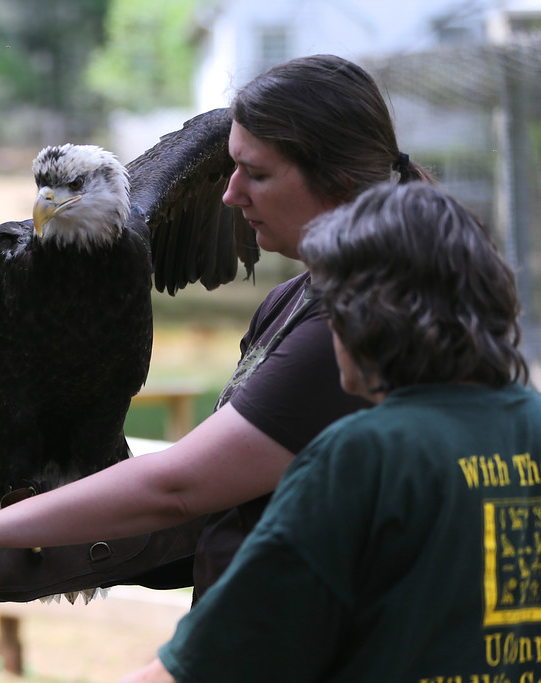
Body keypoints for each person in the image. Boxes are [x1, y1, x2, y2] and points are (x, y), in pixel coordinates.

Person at [0, 54, 434, 597]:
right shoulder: (292, 301)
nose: (229, 193)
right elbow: (224, 508)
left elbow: (182, 487)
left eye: (258, 173)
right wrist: (58, 552)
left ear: (335, 178)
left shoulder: (356, 325)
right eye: (233, 166)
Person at [118, 181, 536, 682]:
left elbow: (204, 662)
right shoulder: (529, 422)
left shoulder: (360, 456)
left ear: (368, 315)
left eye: (330, 305)